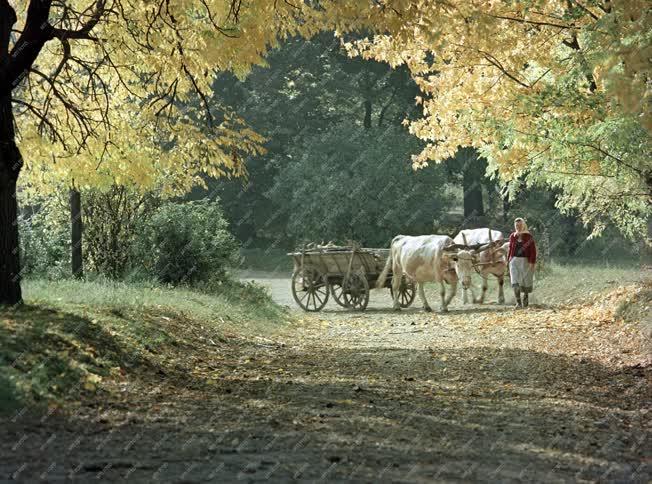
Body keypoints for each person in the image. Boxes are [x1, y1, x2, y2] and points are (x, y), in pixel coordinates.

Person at [507, 217, 537, 308]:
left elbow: (533, 250)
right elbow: (510, 248)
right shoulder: (513, 236)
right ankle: (518, 303)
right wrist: (508, 259)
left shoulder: (528, 236)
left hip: (525, 261)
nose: (518, 227)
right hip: (514, 261)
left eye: (520, 225)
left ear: (523, 225)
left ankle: (526, 297)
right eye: (516, 225)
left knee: (526, 281)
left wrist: (532, 262)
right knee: (515, 281)